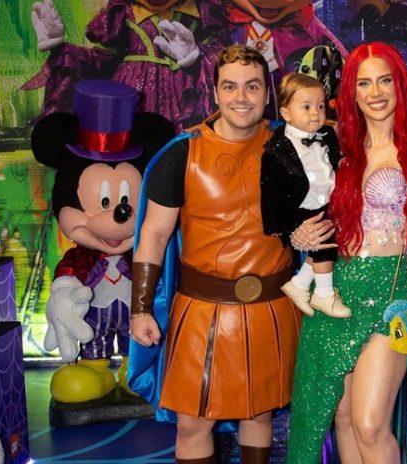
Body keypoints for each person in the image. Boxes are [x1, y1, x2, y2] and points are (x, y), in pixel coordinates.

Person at [129, 45, 306, 464]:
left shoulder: (294, 145)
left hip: (273, 307)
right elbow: (154, 235)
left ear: (267, 94)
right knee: (193, 423)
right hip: (201, 311)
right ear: (214, 93)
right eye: (230, 86)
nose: (241, 97)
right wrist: (140, 309)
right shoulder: (182, 153)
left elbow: (358, 142)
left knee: (259, 414)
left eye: (252, 86)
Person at [286, 42, 407, 463]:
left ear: (400, 86)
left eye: (384, 80)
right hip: (335, 293)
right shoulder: (335, 145)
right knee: (341, 419)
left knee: (370, 424)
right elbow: (282, 150)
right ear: (351, 93)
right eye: (363, 83)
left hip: (391, 295)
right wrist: (299, 235)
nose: (375, 92)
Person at [260, 73, 351, 319]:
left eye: (320, 106)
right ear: (286, 113)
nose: (315, 113)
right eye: (307, 107)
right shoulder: (276, 150)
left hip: (327, 201)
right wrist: (282, 227)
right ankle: (323, 293)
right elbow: (270, 193)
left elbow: (334, 160)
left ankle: (299, 284)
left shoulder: (328, 136)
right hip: (301, 207)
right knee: (324, 247)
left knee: (327, 244)